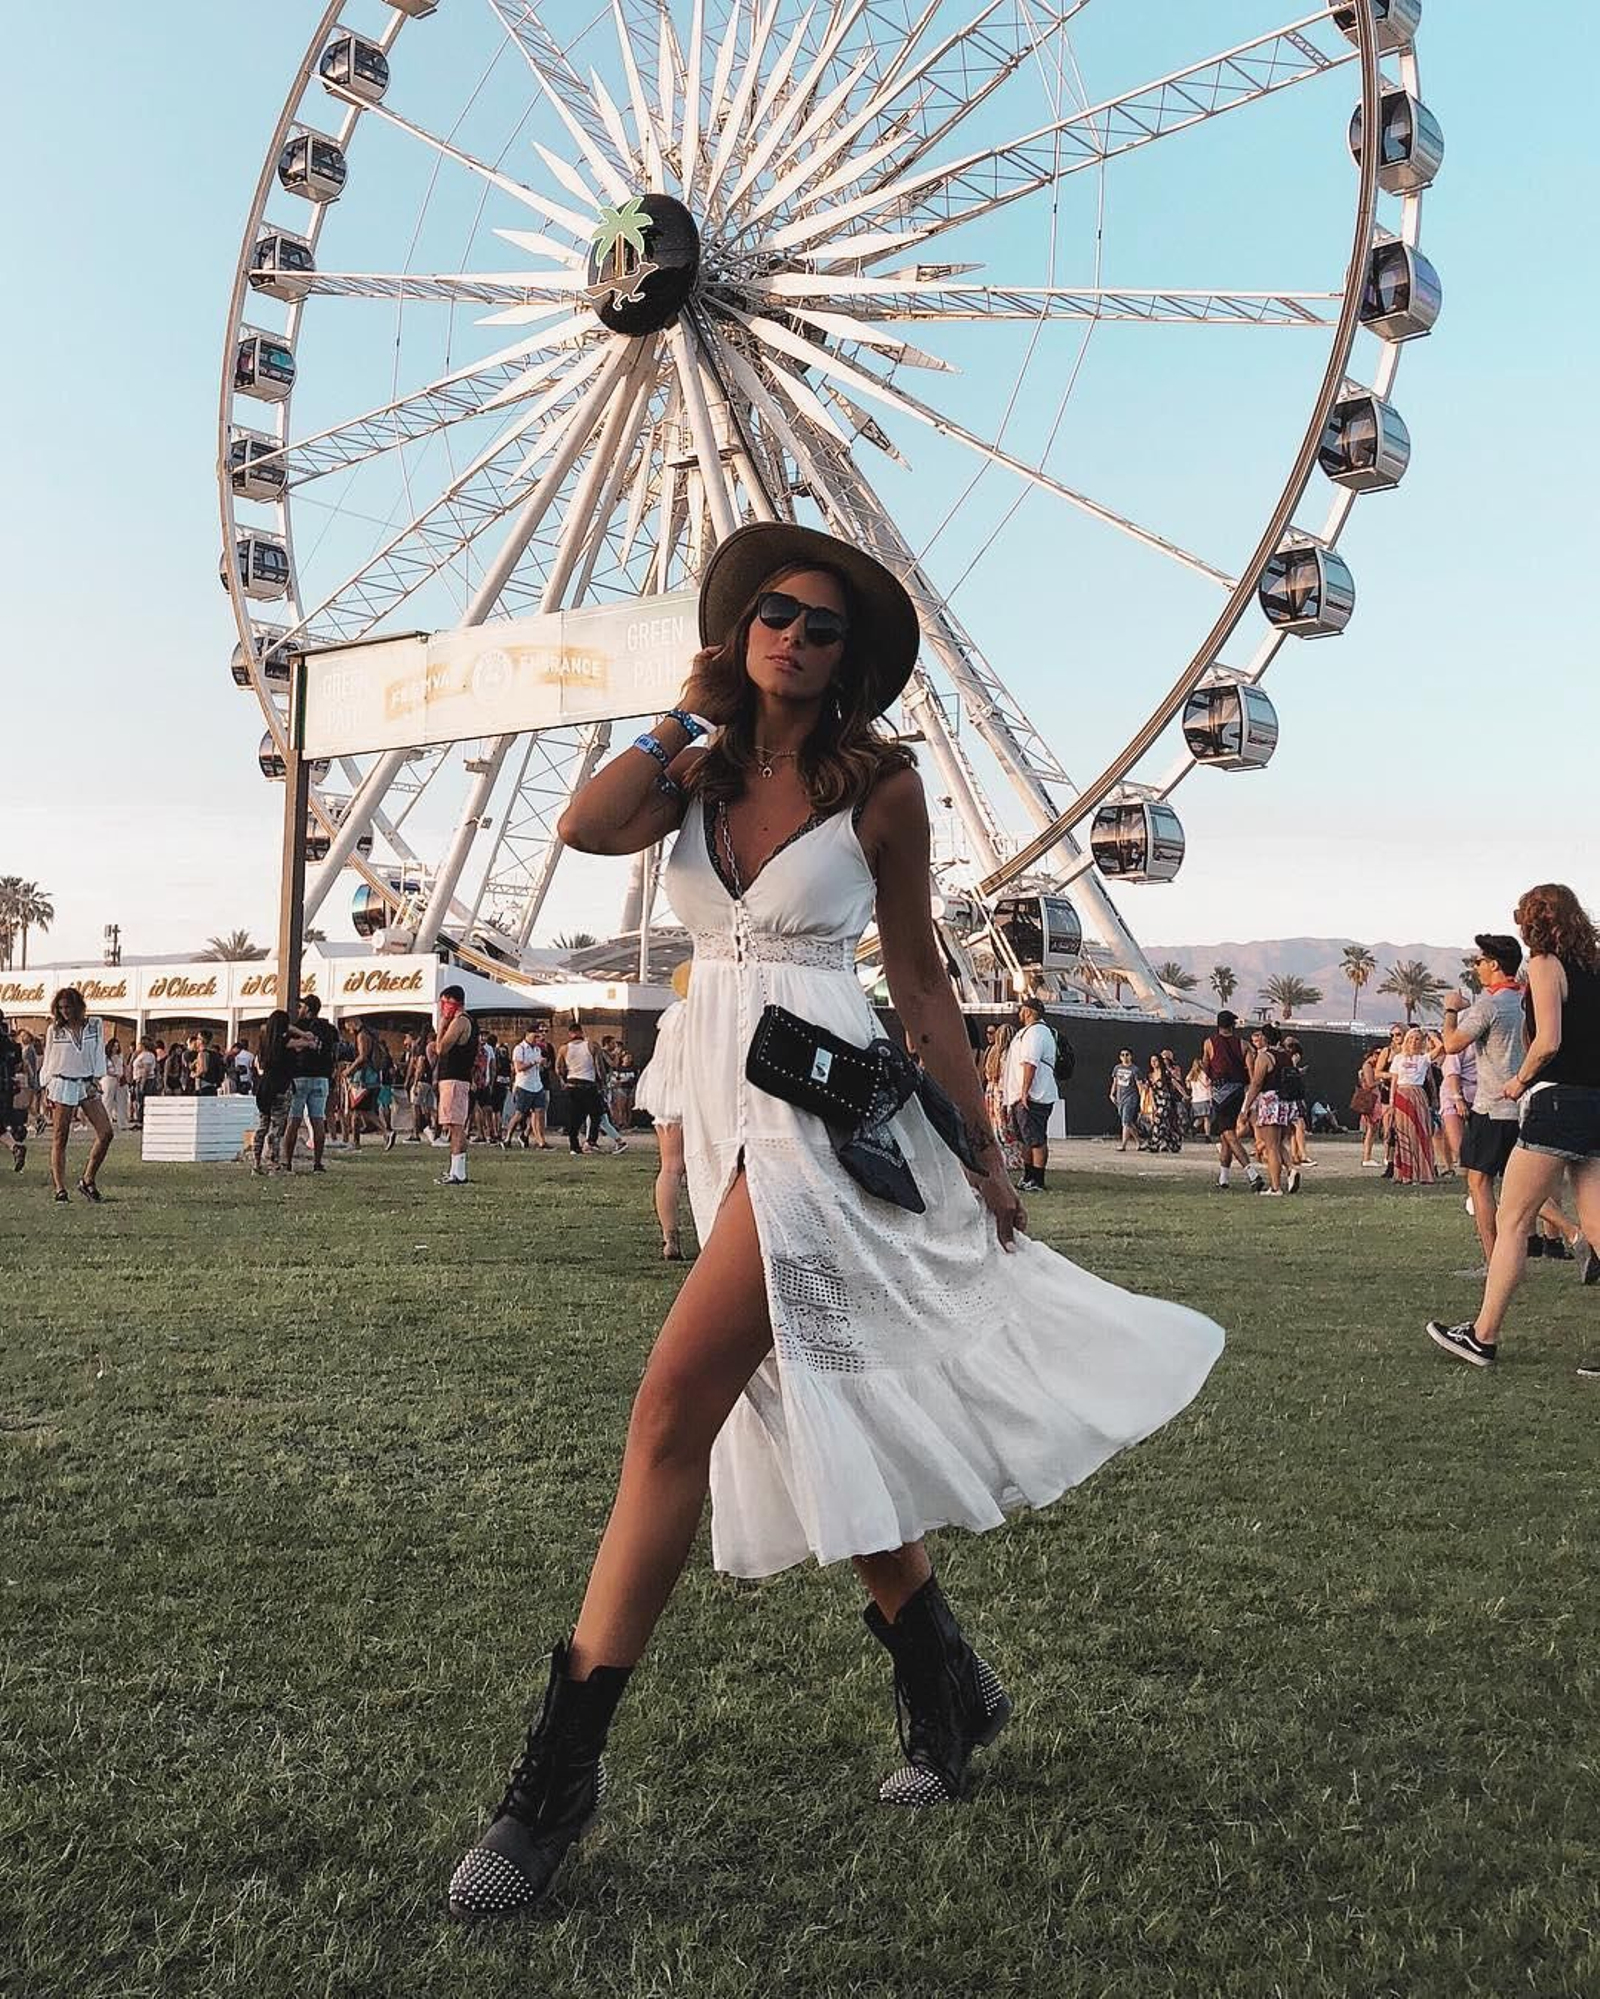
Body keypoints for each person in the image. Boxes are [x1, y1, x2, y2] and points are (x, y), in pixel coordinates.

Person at [444, 520, 1224, 1921]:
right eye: (778, 614)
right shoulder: (687, 768)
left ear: (852, 661)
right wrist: (684, 718)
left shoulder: (884, 786)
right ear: (741, 626)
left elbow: (921, 977)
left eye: (825, 628)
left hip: (817, 1101)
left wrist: (980, 1149)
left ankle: (554, 1783)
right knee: (813, 1405)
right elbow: (579, 827)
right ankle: (947, 1684)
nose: (798, 637)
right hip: (715, 1076)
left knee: (671, 1407)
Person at [1429, 885, 1600, 1368]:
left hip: (1556, 1101)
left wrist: (1520, 1081)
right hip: (1595, 1103)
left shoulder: (1546, 965)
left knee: (1513, 1219)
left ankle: (1482, 1337)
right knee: (1596, 1226)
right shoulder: (1596, 966)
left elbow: (1548, 1040)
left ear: (1536, 923)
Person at [39, 987, 113, 1203]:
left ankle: (88, 1179)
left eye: (68, 1007)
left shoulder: (95, 1025)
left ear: (77, 1006)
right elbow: (49, 1060)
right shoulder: (55, 1030)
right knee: (60, 1137)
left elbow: (99, 1052)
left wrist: (97, 1078)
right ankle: (60, 1189)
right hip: (62, 1083)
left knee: (106, 1132)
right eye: (60, 1008)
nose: (64, 1012)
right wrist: (45, 1087)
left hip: (87, 1082)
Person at [634, 984, 690, 1260]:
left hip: (667, 1095)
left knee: (669, 1169)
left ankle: (670, 1237)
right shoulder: (705, 1012)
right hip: (699, 1096)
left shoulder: (671, 1016)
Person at [1003, 994, 1058, 1192]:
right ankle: (1028, 1175)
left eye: (1022, 1009)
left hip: (1034, 1095)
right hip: (1019, 1096)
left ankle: (1038, 1179)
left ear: (1028, 1011)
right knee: (1025, 1138)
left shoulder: (1037, 1033)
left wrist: (1025, 1092)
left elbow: (1030, 1063)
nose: (1019, 1012)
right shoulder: (1025, 1033)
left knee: (1036, 1138)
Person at [1203, 1011, 1261, 1191]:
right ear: (1233, 1025)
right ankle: (1223, 1178)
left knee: (1229, 1134)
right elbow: (1252, 1073)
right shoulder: (1244, 1045)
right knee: (1224, 1136)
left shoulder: (1209, 1043)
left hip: (1220, 1094)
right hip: (1238, 1092)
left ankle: (1252, 1174)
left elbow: (1206, 1065)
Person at [1240, 1023, 1299, 1196]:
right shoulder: (1286, 1056)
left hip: (1270, 1101)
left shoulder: (1264, 1057)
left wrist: (1246, 1107)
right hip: (1286, 1102)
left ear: (1265, 1038)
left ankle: (1275, 1187)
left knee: (1271, 1146)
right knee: (1278, 1142)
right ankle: (1291, 1169)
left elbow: (1256, 1083)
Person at [282, 993, 338, 1175]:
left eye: (302, 1006)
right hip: (321, 1078)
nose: (299, 1009)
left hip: (300, 1076)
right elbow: (334, 1051)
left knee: (294, 1121)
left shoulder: (299, 1027)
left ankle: (287, 1163)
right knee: (318, 1120)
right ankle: (318, 1163)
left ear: (307, 1009)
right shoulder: (329, 1028)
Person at [434, 986, 478, 1186]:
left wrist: (442, 1025)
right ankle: (455, 1169)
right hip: (455, 1078)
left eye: (445, 1003)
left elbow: (441, 1048)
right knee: (453, 1124)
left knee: (456, 1125)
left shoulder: (460, 1021)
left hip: (455, 1078)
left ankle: (458, 1172)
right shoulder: (466, 1021)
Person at [250, 1009, 301, 1174]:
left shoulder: (264, 1040)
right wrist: (307, 1036)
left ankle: (256, 1163)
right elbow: (302, 1042)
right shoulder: (286, 1041)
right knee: (277, 1128)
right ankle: (274, 1164)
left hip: (264, 1086)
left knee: (262, 1125)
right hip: (281, 1085)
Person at [1387, 1029, 1436, 1186]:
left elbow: (1441, 1048)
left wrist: (1431, 1036)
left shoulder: (1424, 1059)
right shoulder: (1398, 1059)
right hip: (1402, 1094)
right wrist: (1391, 1103)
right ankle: (1404, 1173)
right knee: (1403, 1134)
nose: (1414, 1042)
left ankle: (1422, 1173)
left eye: (1417, 1039)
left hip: (1418, 1094)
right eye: (1411, 1039)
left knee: (1420, 1133)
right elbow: (1394, 1082)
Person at [557, 1022, 607, 1155]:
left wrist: (563, 1080)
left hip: (572, 1083)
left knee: (574, 1117)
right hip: (588, 1084)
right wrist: (603, 1083)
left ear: (570, 1033)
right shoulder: (592, 1045)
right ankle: (591, 1141)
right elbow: (599, 1067)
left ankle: (574, 1146)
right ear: (581, 1032)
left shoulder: (564, 1048)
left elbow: (559, 1068)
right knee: (596, 1114)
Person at [503, 1027, 547, 1150]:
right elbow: (518, 1067)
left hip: (536, 1085)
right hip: (524, 1085)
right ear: (527, 1035)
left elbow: (538, 1067)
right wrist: (534, 1062)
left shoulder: (537, 1049)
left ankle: (539, 1140)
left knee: (539, 1113)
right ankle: (507, 1138)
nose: (537, 1039)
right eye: (535, 1036)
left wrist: (542, 1064)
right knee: (519, 1114)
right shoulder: (519, 1049)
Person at [0, 1010, 28, 1172]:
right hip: (6, 1086)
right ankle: (15, 1146)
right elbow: (18, 1063)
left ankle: (16, 1142)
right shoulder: (10, 1042)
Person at [1351, 1050, 1384, 1165]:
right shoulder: (1367, 1066)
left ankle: (1368, 1157)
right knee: (1371, 1128)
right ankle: (1367, 1157)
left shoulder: (1369, 1066)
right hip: (1371, 1098)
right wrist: (1381, 1080)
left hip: (1374, 1097)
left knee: (1373, 1128)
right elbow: (1370, 1084)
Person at [1108, 1047, 1140, 1151]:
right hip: (1119, 1098)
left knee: (1125, 1122)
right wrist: (1112, 1094)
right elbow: (1115, 1082)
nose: (1125, 1057)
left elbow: (1139, 1085)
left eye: (1127, 1055)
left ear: (1131, 1056)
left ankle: (1123, 1145)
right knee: (1128, 1121)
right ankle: (1140, 1142)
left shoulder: (1135, 1070)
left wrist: (1141, 1098)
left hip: (1130, 1098)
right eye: (1123, 1055)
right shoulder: (1117, 1068)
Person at [129, 1037, 158, 1129]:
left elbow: (147, 1069)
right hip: (139, 1079)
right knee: (139, 1101)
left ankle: (142, 1121)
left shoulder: (147, 1055)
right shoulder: (141, 1055)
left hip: (145, 1080)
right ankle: (140, 1119)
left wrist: (142, 1083)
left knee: (143, 1101)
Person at [101, 1035, 128, 1131]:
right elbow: (103, 1069)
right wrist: (113, 1074)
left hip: (120, 1079)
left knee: (122, 1102)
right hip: (109, 1079)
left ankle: (122, 1123)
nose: (116, 1048)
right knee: (107, 1100)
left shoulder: (120, 1056)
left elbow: (124, 1066)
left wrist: (124, 1075)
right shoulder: (105, 1057)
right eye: (114, 1046)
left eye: (117, 1046)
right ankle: (106, 1122)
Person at [1185, 1056, 1213, 1138]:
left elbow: (1188, 1087)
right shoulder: (1204, 1074)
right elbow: (1208, 1085)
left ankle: (1193, 1128)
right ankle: (1207, 1135)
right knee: (1207, 1119)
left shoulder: (1191, 1075)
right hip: (1204, 1098)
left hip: (1195, 1100)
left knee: (1200, 1117)